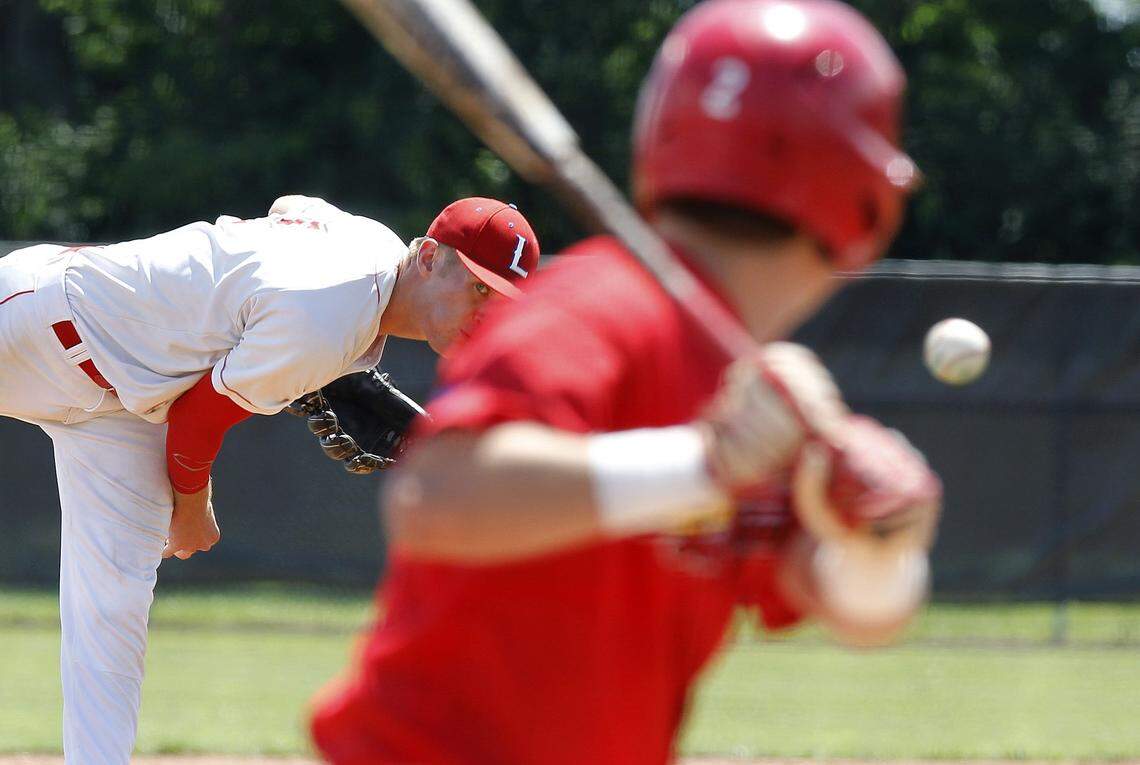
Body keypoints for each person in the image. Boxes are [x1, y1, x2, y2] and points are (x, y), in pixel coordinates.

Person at [309, 1, 942, 764]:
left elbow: (854, 611)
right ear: (865, 203)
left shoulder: (752, 387)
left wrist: (880, 545)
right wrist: (705, 462)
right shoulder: (601, 310)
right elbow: (434, 499)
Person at [0, 194, 540, 764]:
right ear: (429, 256)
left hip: (126, 407)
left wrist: (281, 333)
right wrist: (191, 509)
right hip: (40, 318)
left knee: (112, 607)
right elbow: (198, 417)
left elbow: (292, 206)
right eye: (479, 288)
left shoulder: (363, 255)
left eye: (503, 302)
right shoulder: (327, 318)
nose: (486, 314)